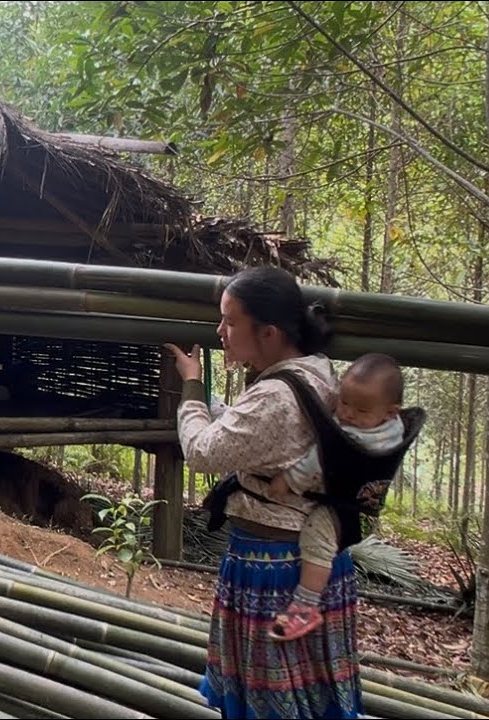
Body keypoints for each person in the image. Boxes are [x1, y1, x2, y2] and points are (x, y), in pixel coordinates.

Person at [164, 265, 360, 720]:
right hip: (314, 562)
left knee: (271, 705)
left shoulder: (274, 395)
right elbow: (248, 427)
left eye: (230, 322)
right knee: (310, 699)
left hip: (273, 568)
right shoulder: (316, 371)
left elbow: (202, 451)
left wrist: (191, 386)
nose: (221, 332)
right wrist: (211, 401)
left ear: (269, 332)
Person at [263, 353, 405, 642]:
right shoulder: (393, 426)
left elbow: (317, 460)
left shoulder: (359, 438)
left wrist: (286, 481)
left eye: (361, 411)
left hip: (343, 510)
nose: (348, 414)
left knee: (316, 539)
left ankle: (305, 606)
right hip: (360, 505)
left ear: (391, 412)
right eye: (344, 402)